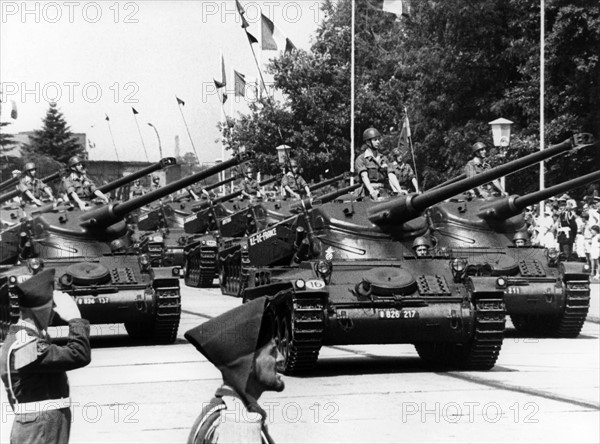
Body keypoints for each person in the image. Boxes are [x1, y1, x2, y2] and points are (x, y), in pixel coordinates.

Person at [0, 268, 92, 444]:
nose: (55, 313)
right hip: (40, 428)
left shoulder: (23, 339)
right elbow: (79, 354)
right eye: (53, 307)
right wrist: (75, 319)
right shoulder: (24, 344)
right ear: (42, 309)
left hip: (41, 425)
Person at [185, 296, 284, 443]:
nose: (281, 358)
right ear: (249, 364)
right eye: (273, 352)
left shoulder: (222, 411)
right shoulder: (237, 425)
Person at [355, 128, 402, 199]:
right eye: (375, 140)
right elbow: (364, 176)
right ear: (368, 142)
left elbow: (391, 175)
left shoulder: (384, 158)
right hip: (368, 194)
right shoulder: (361, 159)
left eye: (378, 139)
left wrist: (400, 190)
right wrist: (371, 191)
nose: (378, 142)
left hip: (384, 192)